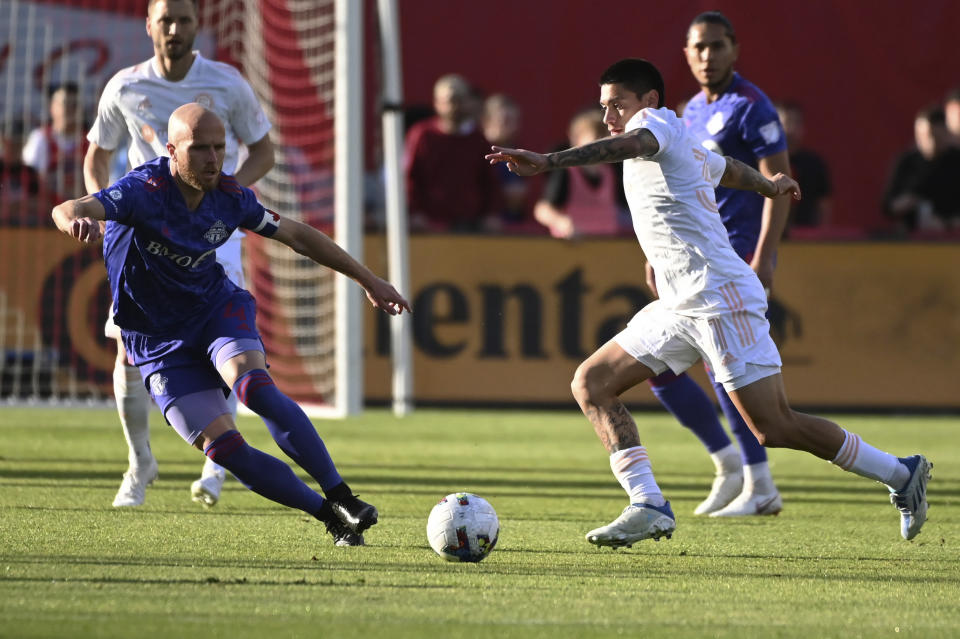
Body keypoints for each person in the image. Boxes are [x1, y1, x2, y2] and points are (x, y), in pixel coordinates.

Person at [486, 58, 931, 547]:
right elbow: (727, 169)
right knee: (592, 383)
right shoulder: (682, 139)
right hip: (680, 304)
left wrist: (550, 161)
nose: (610, 115)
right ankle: (648, 503)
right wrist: (768, 184)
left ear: (649, 102)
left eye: (618, 104)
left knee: (773, 428)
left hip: (720, 297)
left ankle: (899, 472)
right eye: (603, 106)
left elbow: (631, 143)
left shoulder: (652, 128)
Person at [53, 103, 410, 547]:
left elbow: (297, 235)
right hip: (156, 340)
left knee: (252, 386)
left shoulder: (230, 197)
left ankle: (341, 494)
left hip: (214, 310)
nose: (213, 158)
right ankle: (330, 516)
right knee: (225, 450)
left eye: (219, 147)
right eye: (199, 148)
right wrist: (75, 221)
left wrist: (369, 279)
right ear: (171, 150)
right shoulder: (142, 190)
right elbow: (68, 206)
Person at [83, 0, 276, 508]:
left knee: (227, 347)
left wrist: (227, 199)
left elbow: (263, 149)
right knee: (128, 351)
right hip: (144, 245)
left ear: (198, 26)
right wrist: (103, 214)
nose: (174, 29)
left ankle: (217, 463)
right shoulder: (125, 86)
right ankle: (139, 463)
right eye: (165, 20)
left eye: (184, 20)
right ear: (149, 26)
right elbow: (97, 155)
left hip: (212, 235)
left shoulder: (228, 83)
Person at [638, 11, 793, 518]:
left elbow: (779, 184)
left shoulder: (752, 107)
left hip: (734, 258)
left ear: (735, 48)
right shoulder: (687, 111)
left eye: (717, 46)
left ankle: (758, 480)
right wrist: (654, 255)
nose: (708, 56)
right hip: (689, 260)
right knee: (655, 364)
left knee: (727, 370)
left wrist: (765, 256)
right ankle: (729, 463)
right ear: (686, 53)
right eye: (698, 47)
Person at [404, 74, 502, 232]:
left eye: (461, 99)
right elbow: (409, 176)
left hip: (471, 225)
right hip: (429, 225)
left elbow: (489, 181)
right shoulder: (422, 135)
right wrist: (414, 212)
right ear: (437, 103)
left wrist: (491, 214)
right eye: (451, 100)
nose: (456, 106)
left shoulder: (478, 139)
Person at [534, 108, 626, 238]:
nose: (602, 145)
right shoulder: (566, 173)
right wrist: (562, 223)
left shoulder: (612, 173)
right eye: (596, 138)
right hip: (571, 250)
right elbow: (542, 210)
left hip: (605, 248)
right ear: (576, 139)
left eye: (606, 138)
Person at [882, 106, 960, 232]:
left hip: (951, 239)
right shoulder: (908, 161)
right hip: (913, 239)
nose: (929, 142)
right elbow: (888, 206)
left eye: (934, 136)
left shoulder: (955, 162)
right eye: (922, 136)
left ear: (945, 133)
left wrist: (949, 223)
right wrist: (904, 203)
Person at [22, 83, 88, 199]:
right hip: (47, 211)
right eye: (65, 104)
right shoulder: (40, 138)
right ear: (52, 107)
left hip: (85, 211)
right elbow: (29, 180)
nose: (70, 109)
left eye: (75, 105)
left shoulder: (91, 139)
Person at [776, 101, 832, 231]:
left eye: (796, 123)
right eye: (786, 122)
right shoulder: (763, 162)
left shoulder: (814, 164)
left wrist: (822, 232)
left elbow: (824, 204)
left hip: (806, 237)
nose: (790, 129)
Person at [483, 93, 529, 226]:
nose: (513, 127)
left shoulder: (520, 155)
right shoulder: (474, 153)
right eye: (506, 121)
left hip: (513, 227)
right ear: (487, 121)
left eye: (515, 121)